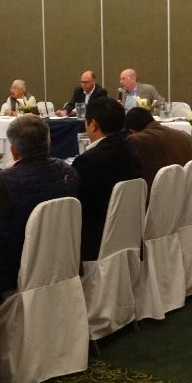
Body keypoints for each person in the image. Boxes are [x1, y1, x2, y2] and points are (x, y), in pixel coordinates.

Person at [0, 114, 80, 296]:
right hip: (62, 258)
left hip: (15, 266)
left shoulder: (5, 181)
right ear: (49, 142)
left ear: (13, 151)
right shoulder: (68, 172)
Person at [72, 98, 143, 262]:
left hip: (96, 242)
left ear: (93, 125)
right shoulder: (131, 148)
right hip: (129, 234)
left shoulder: (87, 161)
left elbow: (79, 209)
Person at [124, 107, 192, 188]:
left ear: (132, 131)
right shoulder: (185, 135)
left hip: (160, 193)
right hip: (189, 191)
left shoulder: (136, 140)